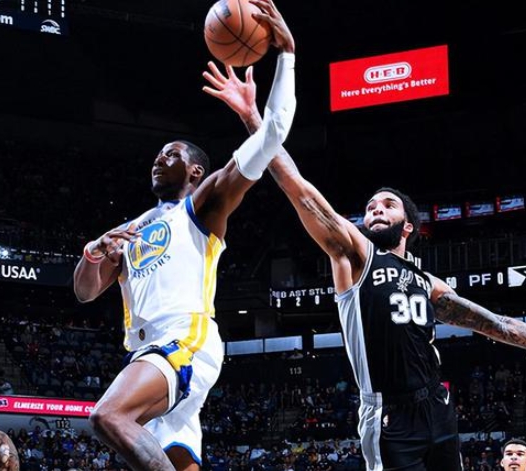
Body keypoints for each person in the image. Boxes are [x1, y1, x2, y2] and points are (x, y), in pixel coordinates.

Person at [203, 57, 526, 470]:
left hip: (437, 406)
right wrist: (254, 120)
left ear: (408, 226)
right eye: (370, 206)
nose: (375, 209)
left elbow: (498, 325)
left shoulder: (427, 282)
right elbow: (300, 190)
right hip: (389, 413)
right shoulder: (356, 257)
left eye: (387, 205)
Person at [73, 2, 297, 469]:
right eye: (157, 155)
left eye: (170, 154)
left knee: (108, 416)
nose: (159, 159)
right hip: (146, 352)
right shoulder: (131, 229)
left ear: (196, 170)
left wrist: (286, 57)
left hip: (184, 339)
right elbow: (85, 292)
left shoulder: (203, 205)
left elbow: (274, 132)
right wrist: (94, 253)